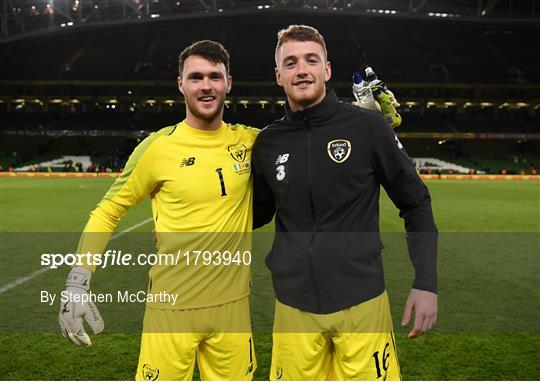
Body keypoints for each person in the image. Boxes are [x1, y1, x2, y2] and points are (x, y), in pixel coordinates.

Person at [58, 40, 259, 380]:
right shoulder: (157, 147)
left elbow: (306, 143)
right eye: (196, 77)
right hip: (171, 310)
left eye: (215, 76)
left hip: (234, 311)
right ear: (181, 84)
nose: (206, 85)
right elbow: (108, 210)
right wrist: (77, 282)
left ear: (228, 82)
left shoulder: (253, 142)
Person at [252, 25, 438, 381]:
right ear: (279, 75)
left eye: (311, 60)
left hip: (362, 303)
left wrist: (426, 283)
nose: (301, 69)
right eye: (290, 63)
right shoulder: (268, 143)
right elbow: (255, 213)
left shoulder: (367, 127)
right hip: (293, 308)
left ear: (327, 69)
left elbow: (415, 202)